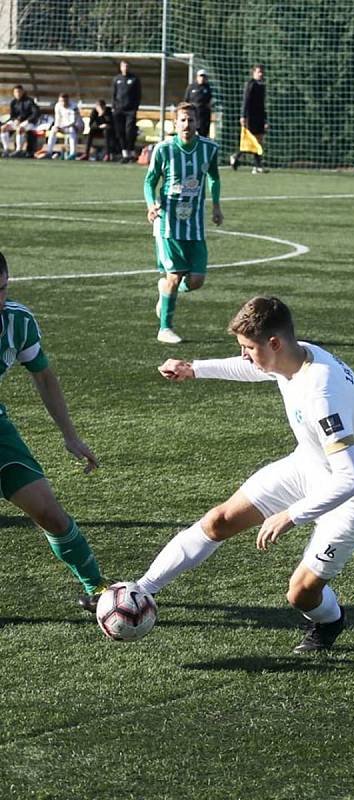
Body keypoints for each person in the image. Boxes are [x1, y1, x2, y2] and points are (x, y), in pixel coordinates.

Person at [135, 295, 354, 654]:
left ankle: (330, 620)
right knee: (219, 520)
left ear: (274, 343)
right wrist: (194, 368)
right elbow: (253, 369)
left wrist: (292, 515)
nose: (244, 355)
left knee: (301, 594)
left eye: (247, 347)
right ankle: (140, 591)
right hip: (309, 465)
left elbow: (352, 479)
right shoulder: (295, 355)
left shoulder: (322, 392)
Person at [0, 251, 108, 612]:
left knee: (50, 513)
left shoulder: (17, 322)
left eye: (0, 290)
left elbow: (43, 376)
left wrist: (70, 435)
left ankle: (97, 588)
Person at [144, 102, 223, 345]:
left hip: (195, 225)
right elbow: (150, 181)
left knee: (196, 280)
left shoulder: (209, 149)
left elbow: (213, 176)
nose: (187, 125)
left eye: (191, 120)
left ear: (198, 123)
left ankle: (166, 292)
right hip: (168, 224)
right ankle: (165, 328)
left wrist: (217, 205)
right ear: (175, 123)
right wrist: (151, 204)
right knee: (175, 276)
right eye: (182, 120)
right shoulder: (163, 149)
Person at [229, 64, 267, 174]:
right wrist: (243, 116)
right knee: (251, 141)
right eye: (258, 72)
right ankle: (237, 156)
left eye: (262, 72)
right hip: (251, 117)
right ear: (254, 73)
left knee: (258, 141)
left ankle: (257, 166)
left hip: (259, 116)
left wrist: (265, 119)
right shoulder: (251, 84)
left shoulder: (262, 85)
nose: (261, 74)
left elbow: (262, 104)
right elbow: (246, 101)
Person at [111, 60, 141, 164]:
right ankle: (124, 153)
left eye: (127, 66)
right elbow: (114, 94)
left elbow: (138, 95)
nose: (125, 68)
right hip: (119, 110)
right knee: (120, 132)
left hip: (130, 110)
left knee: (130, 131)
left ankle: (131, 151)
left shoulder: (134, 79)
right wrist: (114, 107)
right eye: (123, 66)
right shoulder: (117, 79)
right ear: (120, 67)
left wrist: (135, 107)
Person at [1, 85, 40, 157]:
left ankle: (19, 150)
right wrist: (15, 120)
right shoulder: (13, 102)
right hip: (17, 122)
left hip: (29, 122)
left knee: (20, 129)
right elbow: (12, 115)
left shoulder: (29, 101)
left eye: (19, 92)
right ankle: (6, 149)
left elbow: (35, 113)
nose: (17, 93)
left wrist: (27, 121)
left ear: (23, 92)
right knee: (3, 128)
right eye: (15, 92)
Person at [45, 93, 84, 160]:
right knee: (53, 129)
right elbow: (57, 119)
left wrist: (62, 127)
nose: (63, 103)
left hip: (77, 126)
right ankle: (49, 152)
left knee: (72, 130)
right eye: (61, 101)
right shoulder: (57, 106)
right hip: (64, 126)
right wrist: (57, 126)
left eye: (64, 101)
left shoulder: (74, 107)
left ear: (68, 100)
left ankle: (73, 153)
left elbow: (73, 122)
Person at [184, 68, 214, 138]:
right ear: (197, 77)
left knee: (203, 134)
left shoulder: (208, 88)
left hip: (204, 116)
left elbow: (211, 101)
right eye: (200, 76)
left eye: (204, 76)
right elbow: (186, 100)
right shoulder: (191, 87)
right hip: (193, 114)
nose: (202, 78)